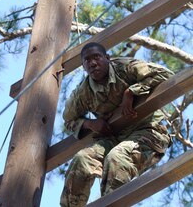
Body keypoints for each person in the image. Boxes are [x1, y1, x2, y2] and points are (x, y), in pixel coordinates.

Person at [60, 42, 173, 207]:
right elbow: (69, 119)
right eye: (87, 61)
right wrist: (89, 123)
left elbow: (165, 73)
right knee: (82, 159)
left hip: (148, 131)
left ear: (107, 58)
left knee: (117, 157)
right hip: (115, 138)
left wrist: (131, 92)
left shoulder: (125, 68)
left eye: (96, 57)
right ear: (83, 67)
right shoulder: (83, 93)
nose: (92, 63)